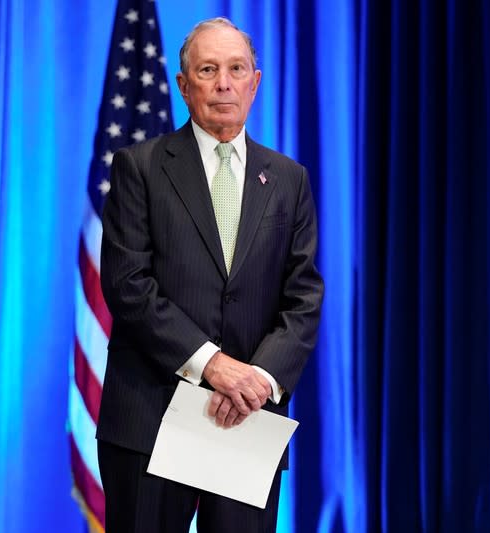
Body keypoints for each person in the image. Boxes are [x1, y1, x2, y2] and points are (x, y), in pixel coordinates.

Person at [96, 16, 324, 533]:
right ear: (183, 85)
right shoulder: (140, 166)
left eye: (236, 68)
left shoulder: (288, 179)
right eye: (208, 69)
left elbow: (303, 294)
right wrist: (213, 366)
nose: (224, 83)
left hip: (246, 422)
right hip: (150, 419)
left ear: (255, 82)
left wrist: (258, 382)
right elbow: (128, 285)